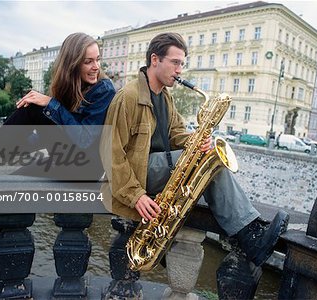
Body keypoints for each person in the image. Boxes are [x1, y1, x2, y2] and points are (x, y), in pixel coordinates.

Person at [101, 32, 289, 267]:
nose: (180, 70)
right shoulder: (127, 96)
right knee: (204, 161)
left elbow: (176, 132)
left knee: (207, 155)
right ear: (155, 60)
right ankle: (249, 233)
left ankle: (249, 227)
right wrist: (135, 195)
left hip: (156, 167)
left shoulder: (164, 96)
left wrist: (197, 141)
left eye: (182, 64)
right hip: (136, 174)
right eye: (175, 62)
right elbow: (110, 153)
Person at [0, 32, 116, 260]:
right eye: (88, 61)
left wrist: (50, 104)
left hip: (86, 169)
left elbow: (85, 139)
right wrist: (7, 145)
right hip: (66, 159)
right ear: (72, 63)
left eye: (97, 60)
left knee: (33, 105)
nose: (95, 67)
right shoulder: (66, 87)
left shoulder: (104, 89)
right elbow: (43, 134)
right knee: (16, 180)